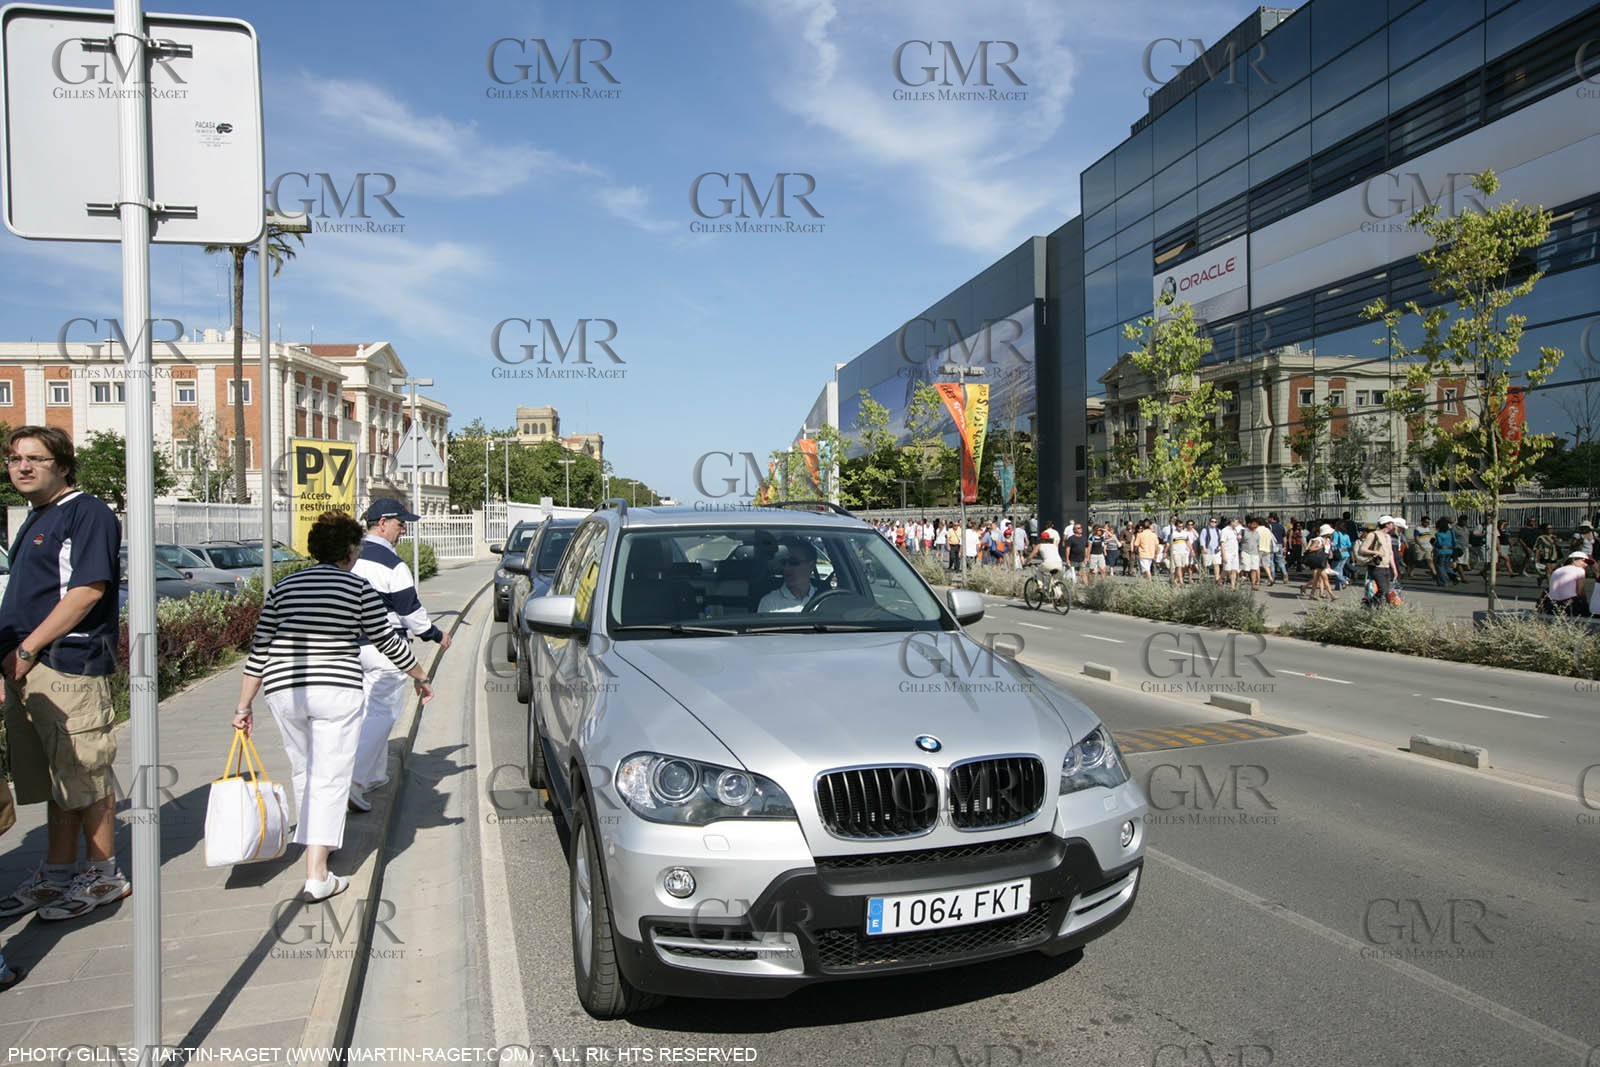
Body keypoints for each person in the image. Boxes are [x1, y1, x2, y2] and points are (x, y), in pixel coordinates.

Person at [233, 511, 435, 902]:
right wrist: (420, 676)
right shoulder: (356, 588)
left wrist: (243, 705)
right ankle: (318, 872)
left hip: (283, 690)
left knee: (304, 769)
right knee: (330, 778)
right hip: (335, 690)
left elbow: (259, 650)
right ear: (348, 550)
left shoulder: (283, 588)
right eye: (356, 546)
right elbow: (387, 643)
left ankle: (316, 844)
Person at [0, 427, 129, 923]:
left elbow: (88, 590)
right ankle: (56, 873)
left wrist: (30, 648)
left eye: (36, 458)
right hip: (26, 668)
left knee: (85, 771)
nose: (23, 467)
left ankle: (104, 874)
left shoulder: (86, 511)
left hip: (65, 664)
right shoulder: (36, 516)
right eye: (14, 458)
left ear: (63, 465)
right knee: (58, 778)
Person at [348, 499, 452, 813]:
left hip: (350, 648)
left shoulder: (349, 558)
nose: (403, 528)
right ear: (382, 523)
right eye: (399, 522)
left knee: (365, 711)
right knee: (382, 714)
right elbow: (411, 613)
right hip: (385, 647)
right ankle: (353, 782)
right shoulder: (394, 566)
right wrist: (436, 635)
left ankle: (374, 775)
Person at [758, 540, 820, 612]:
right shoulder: (770, 602)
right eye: (783, 562)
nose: (786, 568)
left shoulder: (825, 599)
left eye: (793, 562)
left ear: (811, 566)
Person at [1356, 516, 1400, 604]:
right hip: (1376, 566)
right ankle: (1367, 603)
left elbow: (1390, 553)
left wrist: (1394, 569)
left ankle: (1380, 609)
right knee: (1383, 590)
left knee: (1387, 592)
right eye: (1391, 523)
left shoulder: (1388, 536)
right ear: (1386, 524)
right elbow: (1362, 549)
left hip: (1386, 567)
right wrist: (1375, 552)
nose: (1393, 525)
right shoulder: (1373, 535)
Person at [1540, 551, 1591, 616]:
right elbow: (1580, 592)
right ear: (1574, 560)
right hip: (1569, 604)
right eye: (1584, 561)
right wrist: (1585, 604)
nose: (1586, 564)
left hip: (1552, 604)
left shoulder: (1557, 570)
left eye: (1587, 563)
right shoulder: (1580, 570)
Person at [1300, 525, 1335, 600]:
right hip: (1318, 561)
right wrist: (1320, 547)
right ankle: (1331, 595)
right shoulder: (1319, 540)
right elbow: (1311, 548)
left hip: (1322, 561)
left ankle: (1310, 592)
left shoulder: (1328, 540)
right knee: (1324, 578)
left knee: (1317, 579)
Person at [1432, 518, 1460, 587]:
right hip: (1450, 551)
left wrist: (1434, 543)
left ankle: (1444, 581)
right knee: (1446, 565)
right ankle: (1454, 575)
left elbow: (1439, 543)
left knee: (1440, 566)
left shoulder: (1438, 534)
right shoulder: (1451, 532)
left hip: (1441, 551)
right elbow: (1455, 542)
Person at [1199, 517, 1221, 583]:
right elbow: (1202, 539)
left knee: (1216, 564)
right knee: (1206, 565)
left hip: (1216, 551)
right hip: (1207, 550)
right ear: (1209, 522)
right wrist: (1204, 548)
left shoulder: (1218, 531)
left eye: (1215, 522)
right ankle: (1203, 578)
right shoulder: (1205, 530)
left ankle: (1217, 578)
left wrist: (1219, 547)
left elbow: (1221, 540)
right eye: (1212, 521)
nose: (1213, 523)